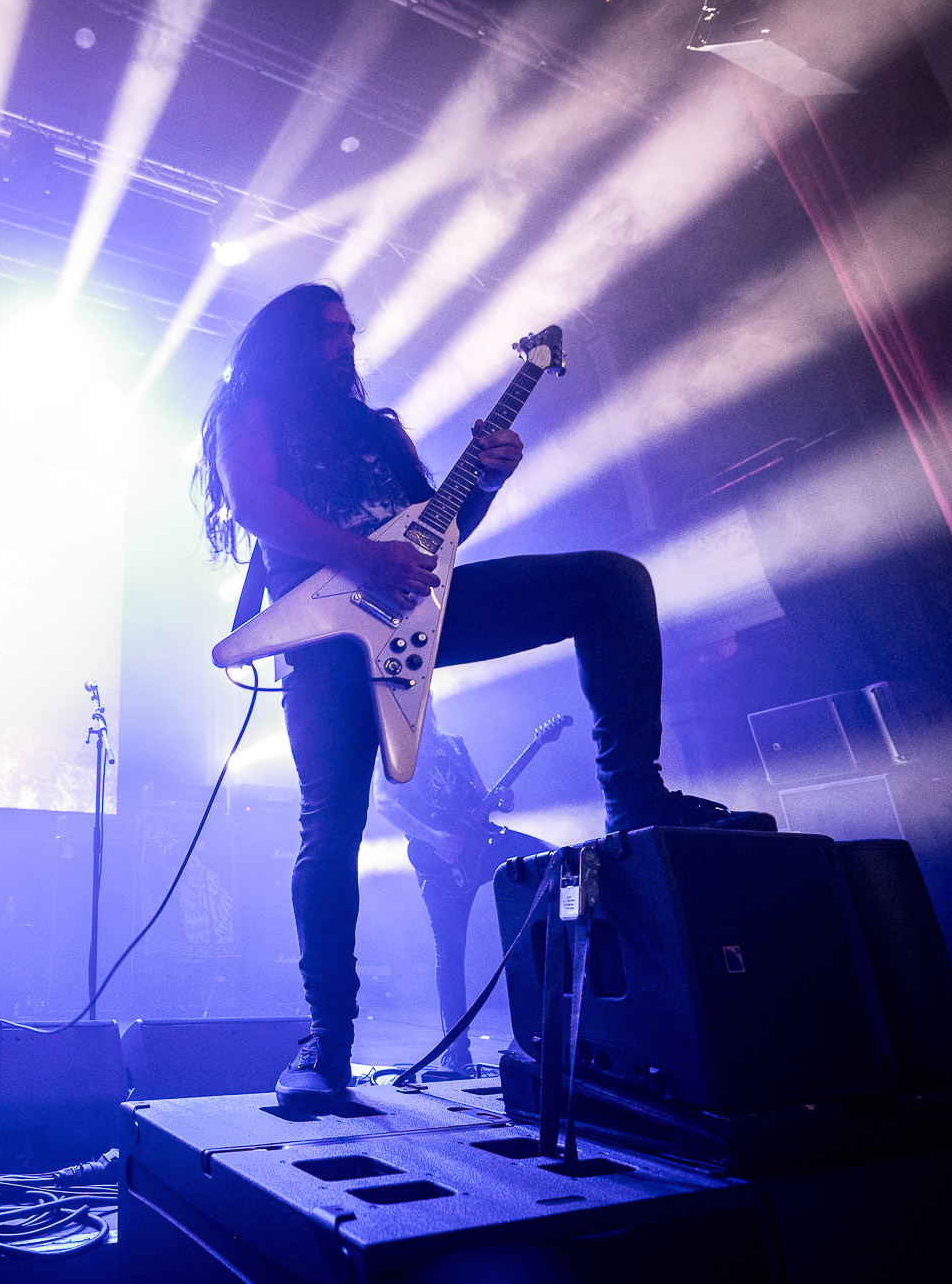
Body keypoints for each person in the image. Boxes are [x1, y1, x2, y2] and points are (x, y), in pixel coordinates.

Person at [195, 282, 771, 1108]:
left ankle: (633, 799)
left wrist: (488, 480)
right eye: (325, 332)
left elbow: (438, 534)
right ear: (283, 342)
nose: (344, 343)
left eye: (349, 330)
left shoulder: (377, 429)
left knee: (611, 584)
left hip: (417, 602)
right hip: (324, 637)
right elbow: (254, 502)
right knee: (330, 831)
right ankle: (328, 1041)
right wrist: (361, 557)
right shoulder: (250, 408)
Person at [374, 711, 552, 1077]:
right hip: (439, 863)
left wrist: (501, 800)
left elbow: (481, 795)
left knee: (551, 861)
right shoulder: (396, 750)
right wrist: (435, 838)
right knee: (451, 956)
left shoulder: (454, 745)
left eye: (428, 700)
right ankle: (456, 1055)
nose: (424, 707)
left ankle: (540, 1035)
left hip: (482, 845)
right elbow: (384, 803)